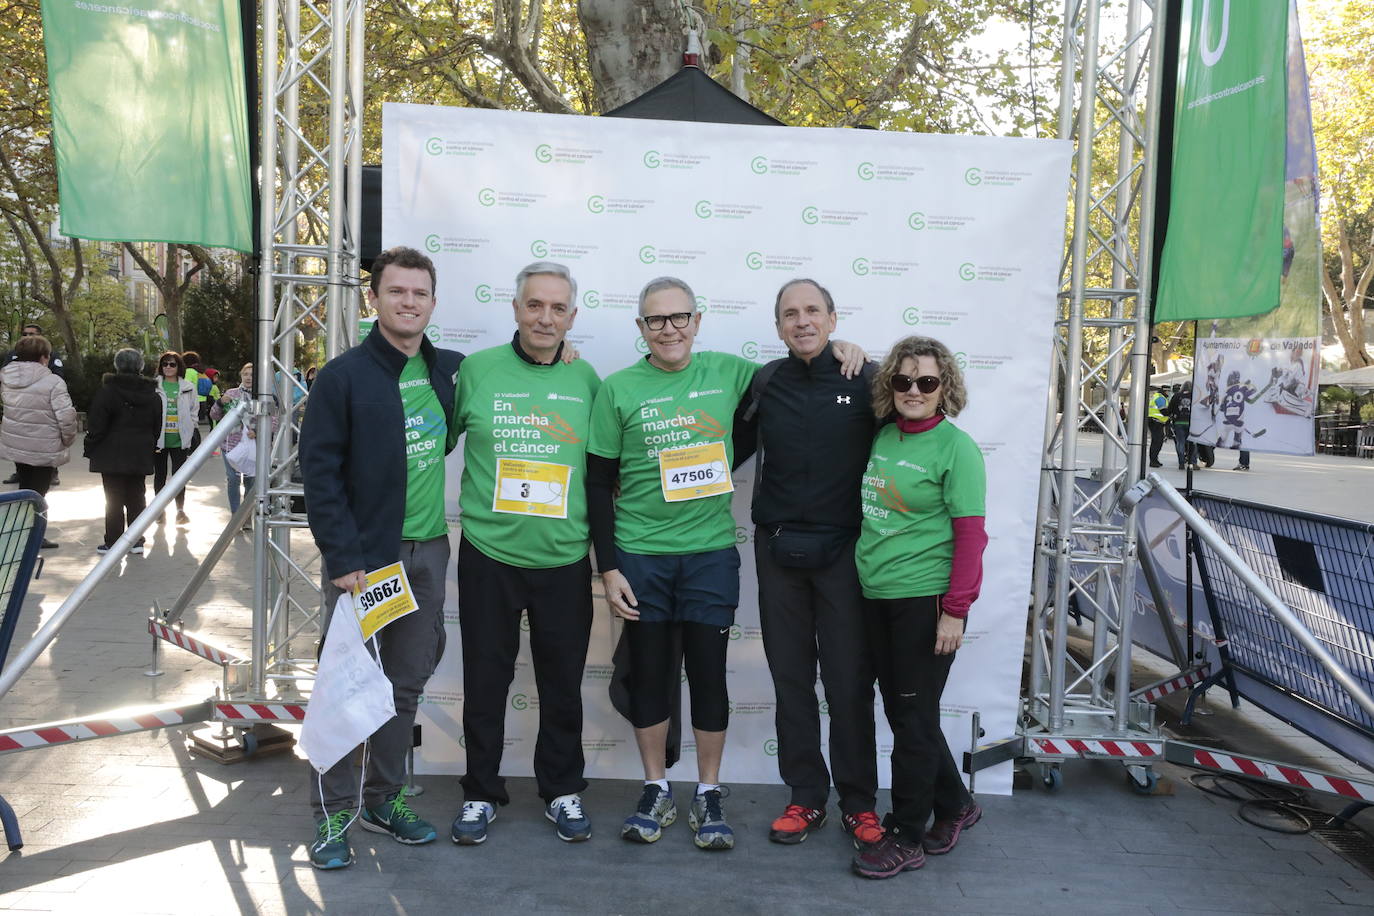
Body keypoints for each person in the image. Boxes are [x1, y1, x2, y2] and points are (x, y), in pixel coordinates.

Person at [298, 245, 463, 870]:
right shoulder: (342, 376)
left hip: (429, 556)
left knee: (404, 687)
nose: (409, 302)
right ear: (374, 298)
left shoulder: (450, 371)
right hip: (367, 563)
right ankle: (331, 815)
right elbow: (319, 474)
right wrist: (341, 557)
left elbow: (515, 378)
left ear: (432, 301)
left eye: (420, 293)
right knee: (346, 686)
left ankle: (383, 801)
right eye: (397, 291)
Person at [587, 276, 757, 851]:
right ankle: (655, 786)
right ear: (641, 329)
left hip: (710, 554)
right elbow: (597, 482)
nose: (669, 329)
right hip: (641, 556)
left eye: (679, 317)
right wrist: (608, 567)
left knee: (709, 674)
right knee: (652, 675)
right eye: (656, 320)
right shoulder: (617, 390)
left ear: (698, 321)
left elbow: (794, 382)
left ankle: (709, 791)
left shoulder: (731, 373)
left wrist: (841, 350)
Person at [447, 262, 601, 846]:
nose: (545, 317)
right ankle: (480, 793)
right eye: (534, 305)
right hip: (489, 555)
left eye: (557, 308)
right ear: (515, 308)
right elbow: (430, 439)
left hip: (563, 561)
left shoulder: (586, 380)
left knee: (562, 685)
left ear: (572, 317)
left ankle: (561, 790)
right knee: (484, 681)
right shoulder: (477, 371)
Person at [739, 279, 883, 848]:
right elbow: (723, 449)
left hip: (847, 554)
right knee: (791, 680)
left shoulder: (867, 378)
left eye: (812, 312)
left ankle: (860, 804)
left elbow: (918, 431)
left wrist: (865, 353)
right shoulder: (765, 380)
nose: (802, 321)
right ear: (777, 327)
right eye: (790, 314)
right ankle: (804, 798)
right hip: (778, 552)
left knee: (848, 682)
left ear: (832, 319)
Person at [850, 335, 987, 880]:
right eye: (903, 380)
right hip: (877, 595)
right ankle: (956, 804)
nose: (913, 390)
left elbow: (972, 538)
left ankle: (906, 835)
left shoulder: (957, 448)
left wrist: (954, 610)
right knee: (910, 713)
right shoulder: (884, 436)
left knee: (910, 722)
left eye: (926, 382)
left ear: (944, 388)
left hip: (925, 601)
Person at [0, 335, 78, 549]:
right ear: (45, 357)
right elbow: (66, 417)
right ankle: (34, 537)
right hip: (44, 445)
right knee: (39, 494)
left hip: (18, 444)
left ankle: (20, 533)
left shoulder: (7, 377)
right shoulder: (53, 381)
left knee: (25, 488)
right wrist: (67, 439)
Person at [84, 349, 161, 555]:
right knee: (137, 496)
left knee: (113, 498)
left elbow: (97, 424)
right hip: (140, 450)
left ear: (117, 366)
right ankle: (136, 540)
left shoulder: (108, 392)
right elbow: (157, 425)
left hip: (111, 451)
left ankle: (113, 541)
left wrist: (90, 446)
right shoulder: (152, 395)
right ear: (141, 367)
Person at [4, 323, 65, 487]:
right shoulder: (13, 354)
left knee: (44, 449)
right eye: (25, 334)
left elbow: (58, 377)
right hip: (20, 409)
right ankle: (21, 473)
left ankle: (52, 473)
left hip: (42, 409)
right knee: (21, 444)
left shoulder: (50, 354)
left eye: (32, 334)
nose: (28, 337)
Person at [210, 363, 261, 519]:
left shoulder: (263, 396)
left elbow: (273, 420)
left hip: (252, 447)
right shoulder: (231, 394)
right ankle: (235, 514)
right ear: (241, 375)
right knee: (233, 478)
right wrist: (219, 403)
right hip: (230, 445)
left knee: (250, 481)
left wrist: (257, 431)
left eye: (252, 374)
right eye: (245, 374)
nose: (248, 377)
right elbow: (214, 415)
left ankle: (245, 516)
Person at [153, 351, 197, 526]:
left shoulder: (187, 386)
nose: (168, 367)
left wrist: (191, 425)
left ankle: (180, 511)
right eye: (165, 364)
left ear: (179, 366)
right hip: (159, 439)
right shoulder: (154, 385)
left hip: (180, 440)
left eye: (172, 364)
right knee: (160, 476)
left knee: (179, 477)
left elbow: (194, 409)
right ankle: (159, 511)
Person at [1166, 382, 1213, 470]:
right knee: (1193, 443)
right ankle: (1193, 463)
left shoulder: (1176, 396)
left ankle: (1181, 462)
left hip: (1179, 423)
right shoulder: (1195, 396)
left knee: (1180, 443)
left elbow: (1169, 409)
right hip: (1192, 423)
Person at [1146, 386, 1167, 468]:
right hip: (1156, 422)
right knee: (1157, 442)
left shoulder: (1156, 396)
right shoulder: (1160, 398)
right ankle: (1153, 460)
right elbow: (1163, 411)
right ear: (1165, 391)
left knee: (1156, 441)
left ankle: (1154, 460)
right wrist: (1169, 415)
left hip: (1154, 421)